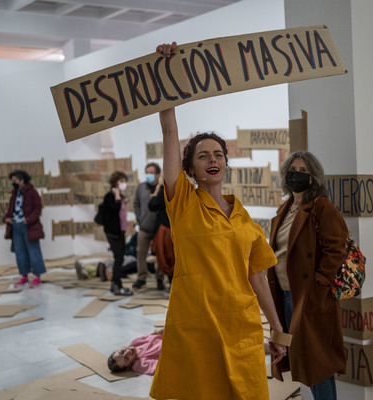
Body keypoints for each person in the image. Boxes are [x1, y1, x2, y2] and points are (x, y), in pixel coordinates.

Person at [149, 41, 287, 400]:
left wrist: (277, 330)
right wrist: (165, 74)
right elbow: (169, 134)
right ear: (190, 169)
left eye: (218, 154)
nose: (212, 159)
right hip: (197, 327)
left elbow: (258, 277)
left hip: (241, 325)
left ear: (226, 162)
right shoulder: (182, 203)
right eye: (202, 156)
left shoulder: (244, 218)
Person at [267, 151, 348, 400]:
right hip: (285, 295)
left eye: (304, 171)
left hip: (309, 298)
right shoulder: (285, 208)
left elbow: (337, 249)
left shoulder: (321, 207)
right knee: (303, 359)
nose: (297, 175)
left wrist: (318, 285)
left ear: (313, 178)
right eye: (293, 170)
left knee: (317, 363)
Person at [3, 170, 46, 287]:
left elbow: (38, 209)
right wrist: (6, 218)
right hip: (16, 226)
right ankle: (24, 276)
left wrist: (28, 220)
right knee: (20, 253)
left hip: (29, 227)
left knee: (33, 252)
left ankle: (37, 276)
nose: (13, 182)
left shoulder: (32, 192)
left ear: (22, 179)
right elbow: (11, 209)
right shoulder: (15, 193)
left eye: (15, 180)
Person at [100, 171, 133, 295]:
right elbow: (114, 210)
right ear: (115, 182)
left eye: (125, 181)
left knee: (120, 258)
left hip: (121, 231)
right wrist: (118, 198)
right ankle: (116, 285)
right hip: (113, 232)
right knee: (118, 259)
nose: (124, 184)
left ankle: (117, 284)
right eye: (121, 181)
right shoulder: (110, 196)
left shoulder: (120, 196)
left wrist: (122, 198)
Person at [132, 162, 164, 290]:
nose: (148, 175)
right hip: (144, 227)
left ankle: (160, 279)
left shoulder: (162, 188)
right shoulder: (141, 187)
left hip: (159, 228)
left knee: (160, 255)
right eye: (147, 173)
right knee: (141, 253)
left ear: (157, 175)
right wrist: (139, 218)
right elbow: (136, 204)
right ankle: (141, 278)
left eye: (151, 173)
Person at [149, 184, 175, 284]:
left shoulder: (163, 191)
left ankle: (165, 281)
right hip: (174, 227)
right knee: (171, 257)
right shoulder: (181, 189)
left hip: (166, 228)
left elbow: (152, 205)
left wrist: (155, 193)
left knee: (164, 257)